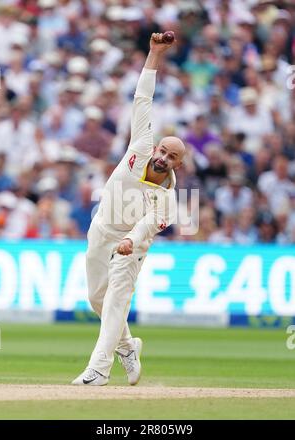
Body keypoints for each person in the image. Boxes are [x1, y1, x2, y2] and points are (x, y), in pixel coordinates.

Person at [72, 33, 185, 386]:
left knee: (117, 302)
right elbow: (142, 98)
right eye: (163, 151)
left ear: (178, 164)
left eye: (172, 157)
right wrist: (154, 55)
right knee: (97, 300)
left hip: (130, 248)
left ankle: (98, 370)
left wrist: (130, 241)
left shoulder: (168, 197)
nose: (163, 157)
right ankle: (127, 347)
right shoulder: (140, 145)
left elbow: (148, 226)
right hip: (101, 230)